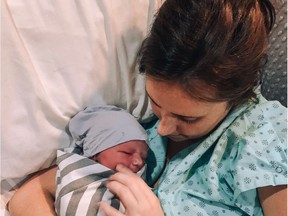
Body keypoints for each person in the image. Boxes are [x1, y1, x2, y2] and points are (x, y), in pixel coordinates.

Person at [8, 0, 287, 215]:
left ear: (236, 96)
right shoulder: (138, 131)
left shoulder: (265, 133)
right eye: (156, 102)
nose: (164, 128)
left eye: (186, 118)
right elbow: (29, 194)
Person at [8, 105, 149, 216]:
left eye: (143, 157)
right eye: (127, 152)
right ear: (95, 153)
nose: (138, 161)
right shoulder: (77, 172)